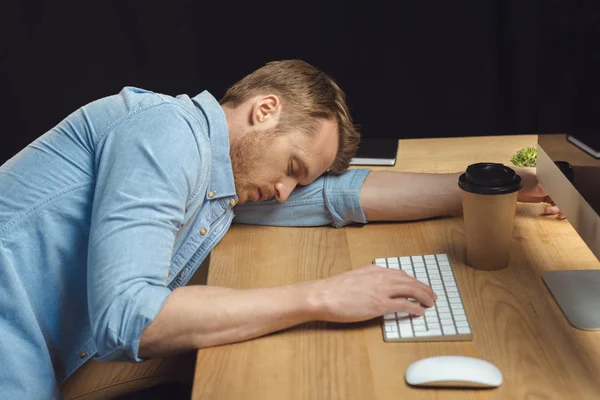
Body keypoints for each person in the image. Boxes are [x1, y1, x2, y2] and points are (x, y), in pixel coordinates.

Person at [0, 60, 562, 399]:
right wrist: (320, 296)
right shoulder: (168, 133)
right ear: (265, 109)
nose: (286, 192)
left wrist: (505, 187)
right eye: (293, 169)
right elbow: (128, 319)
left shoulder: (223, 177)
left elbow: (340, 194)